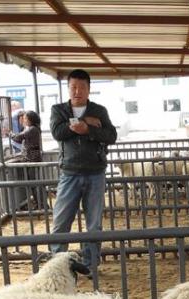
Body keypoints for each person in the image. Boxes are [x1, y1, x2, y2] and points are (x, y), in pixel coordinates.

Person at [49, 69, 117, 272]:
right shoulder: (58, 109)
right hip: (69, 172)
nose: (77, 91)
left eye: (81, 87)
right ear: (68, 88)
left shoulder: (99, 110)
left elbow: (111, 135)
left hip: (95, 171)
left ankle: (90, 264)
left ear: (89, 89)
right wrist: (83, 123)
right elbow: (57, 132)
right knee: (61, 221)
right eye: (73, 87)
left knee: (94, 223)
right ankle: (58, 265)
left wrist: (89, 131)